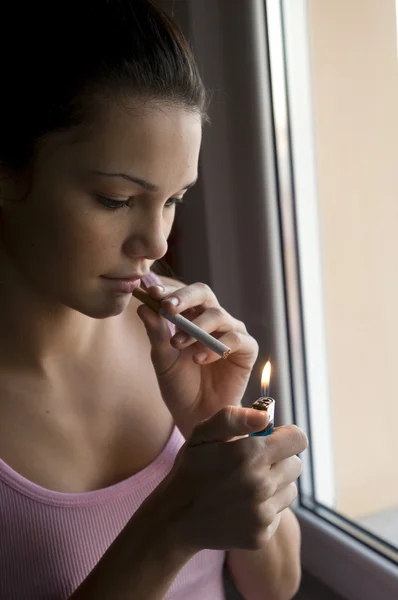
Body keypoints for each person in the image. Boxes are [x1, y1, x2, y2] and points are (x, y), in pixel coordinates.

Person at [0, 1, 308, 599]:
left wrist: (215, 430)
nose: (158, 244)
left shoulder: (178, 339)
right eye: (116, 199)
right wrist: (170, 528)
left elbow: (278, 587)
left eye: (174, 199)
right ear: (10, 170)